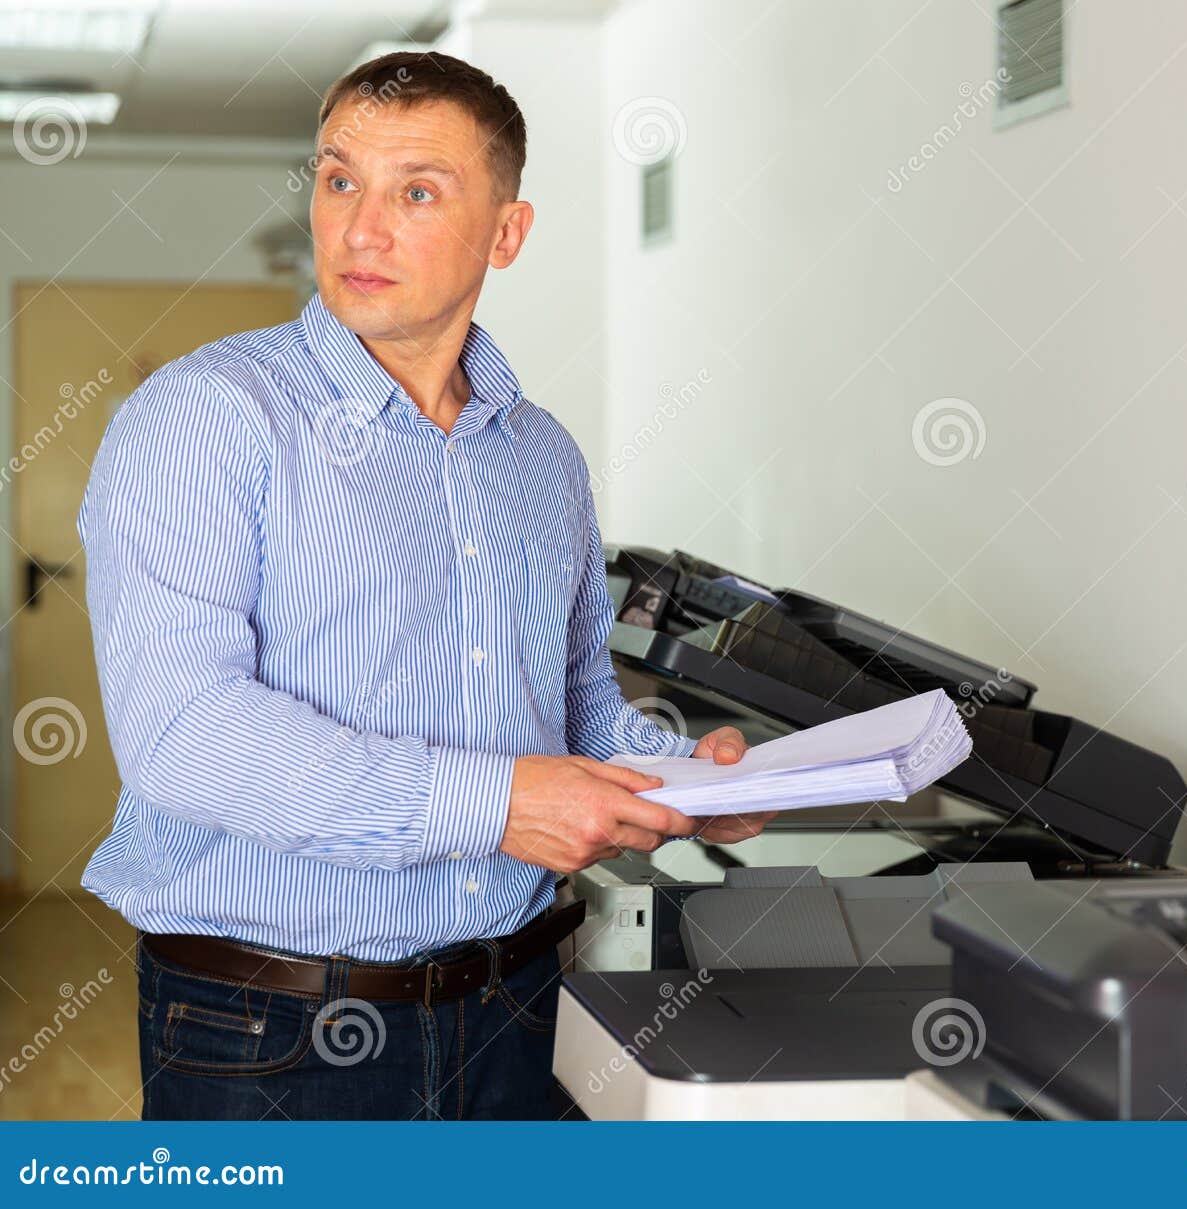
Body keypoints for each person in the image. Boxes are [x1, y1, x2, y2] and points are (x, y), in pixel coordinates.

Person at [75, 50, 773, 1121]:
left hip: (520, 1007)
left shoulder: (541, 458)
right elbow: (185, 736)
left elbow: (579, 703)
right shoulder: (206, 419)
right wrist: (498, 803)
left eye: (416, 192)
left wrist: (687, 783)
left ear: (505, 233)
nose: (359, 228)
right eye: (339, 178)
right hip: (274, 1034)